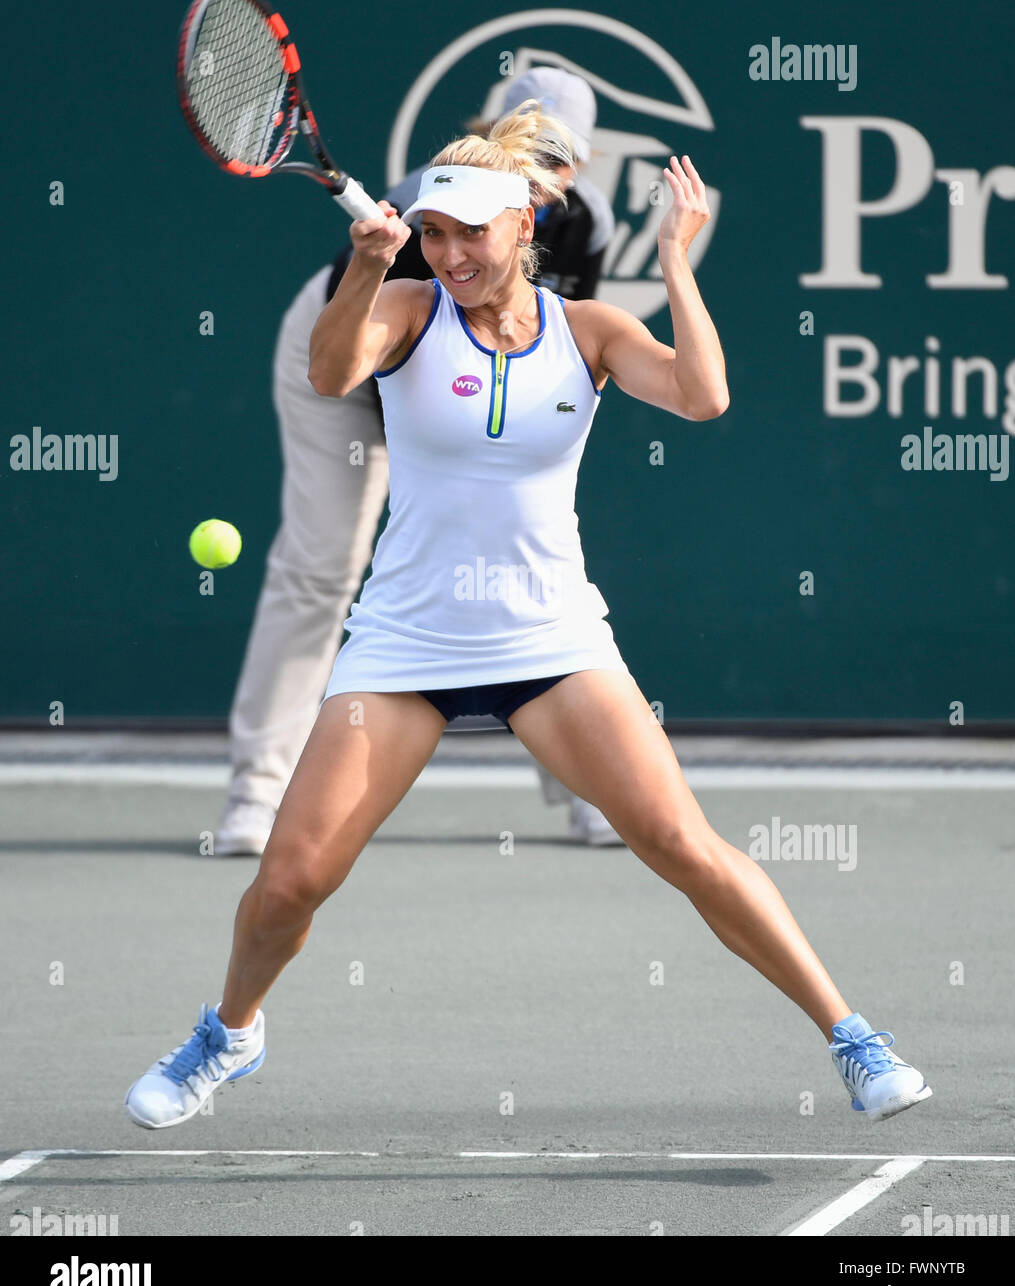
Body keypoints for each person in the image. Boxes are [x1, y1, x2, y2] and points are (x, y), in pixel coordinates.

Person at [125, 101, 931, 1131]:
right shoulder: (409, 307)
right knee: (291, 880)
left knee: (681, 842)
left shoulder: (587, 331)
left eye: (469, 234)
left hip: (549, 639)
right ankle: (229, 1034)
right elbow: (331, 372)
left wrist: (677, 264)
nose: (449, 251)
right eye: (434, 231)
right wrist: (372, 264)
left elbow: (703, 397)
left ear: (522, 229)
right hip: (407, 646)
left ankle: (853, 1040)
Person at [219, 68, 624, 856]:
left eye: (560, 156)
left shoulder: (584, 227)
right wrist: (380, 261)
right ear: (496, 143)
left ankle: (587, 788)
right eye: (529, 147)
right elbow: (341, 363)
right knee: (320, 567)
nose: (546, 171)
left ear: (576, 166)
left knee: (522, 575)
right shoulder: (422, 205)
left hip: (465, 393)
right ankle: (255, 795)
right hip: (343, 369)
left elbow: (562, 359)